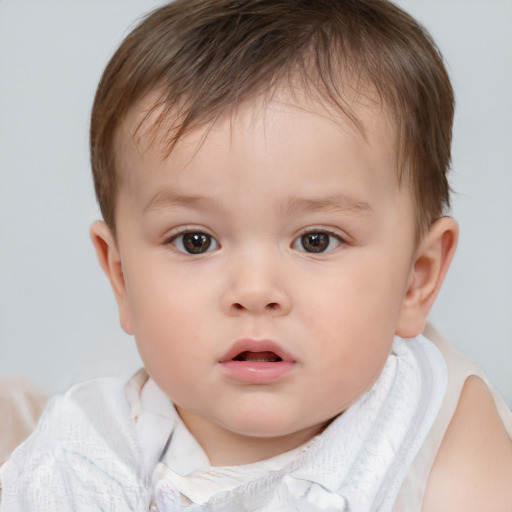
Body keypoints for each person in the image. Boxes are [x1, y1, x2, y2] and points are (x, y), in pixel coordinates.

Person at [1, 0, 511, 510]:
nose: (254, 291)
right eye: (195, 241)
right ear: (121, 276)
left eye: (316, 240)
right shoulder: (80, 455)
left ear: (415, 280)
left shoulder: (431, 434)